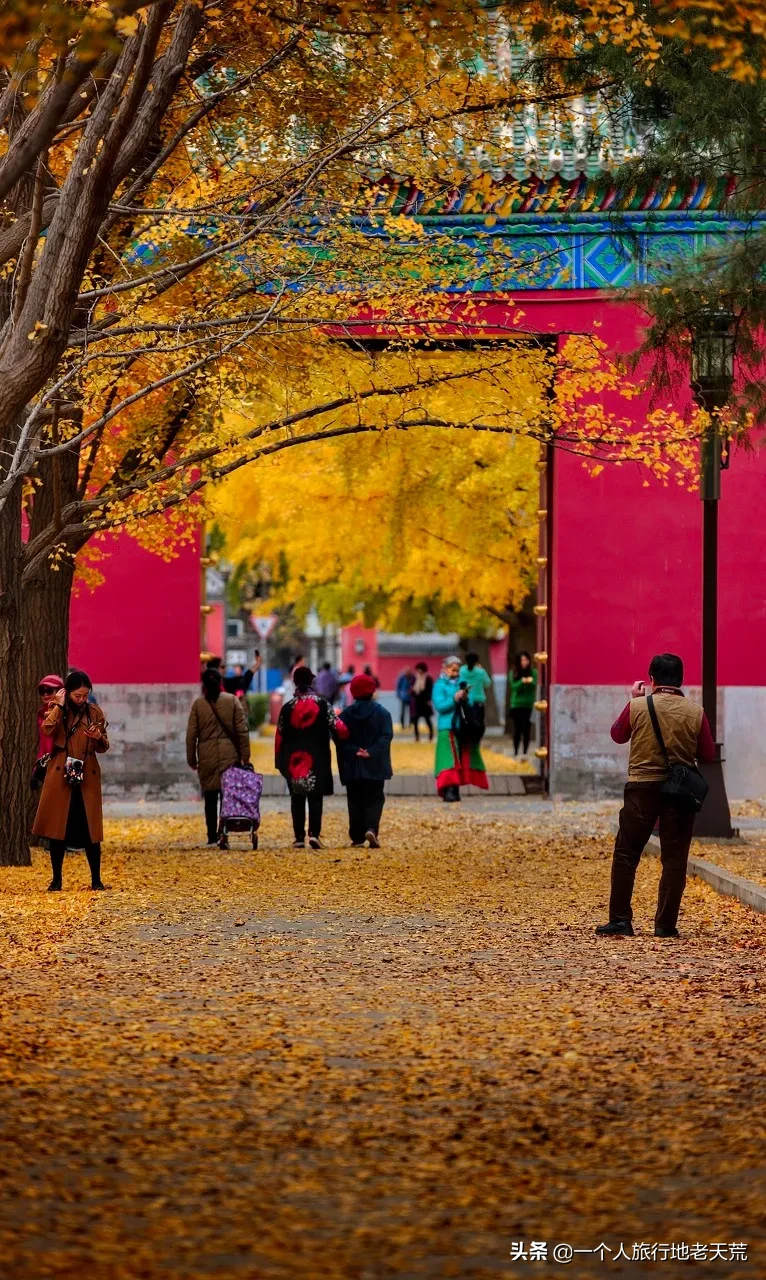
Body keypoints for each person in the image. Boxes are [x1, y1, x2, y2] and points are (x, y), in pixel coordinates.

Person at [596, 652, 716, 939]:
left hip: (641, 789)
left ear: (651, 679)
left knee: (626, 853)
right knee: (674, 858)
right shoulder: (695, 712)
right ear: (681, 680)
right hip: (679, 792)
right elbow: (708, 753)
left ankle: (620, 919)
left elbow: (617, 734)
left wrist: (632, 699)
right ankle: (665, 924)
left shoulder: (637, 706)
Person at [32, 670, 109, 891]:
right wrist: (60, 706)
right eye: (77, 696)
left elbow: (104, 746)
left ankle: (96, 879)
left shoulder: (94, 713)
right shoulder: (58, 709)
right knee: (58, 828)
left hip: (86, 775)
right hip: (60, 775)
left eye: (85, 695)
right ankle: (56, 879)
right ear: (68, 693)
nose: (82, 700)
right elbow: (47, 730)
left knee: (90, 830)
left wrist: (98, 738)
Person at [275, 666, 349, 849]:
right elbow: (339, 728)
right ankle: (314, 834)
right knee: (316, 796)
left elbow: (279, 736)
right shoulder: (322, 703)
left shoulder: (287, 707)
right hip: (318, 757)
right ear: (311, 682)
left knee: (297, 797)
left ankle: (298, 837)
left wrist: (279, 761)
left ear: (294, 682)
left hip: (293, 759)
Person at [186, 669, 251, 846]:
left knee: (210, 797)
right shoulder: (232, 701)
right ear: (221, 681)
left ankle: (211, 836)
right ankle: (224, 832)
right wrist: (245, 757)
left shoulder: (198, 705)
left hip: (206, 757)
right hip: (230, 756)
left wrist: (192, 759)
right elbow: (242, 731)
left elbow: (191, 735)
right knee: (226, 796)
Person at [338, 673, 394, 848]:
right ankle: (371, 828)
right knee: (375, 798)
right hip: (375, 764)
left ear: (353, 692)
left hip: (353, 765)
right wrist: (371, 751)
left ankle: (356, 836)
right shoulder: (383, 713)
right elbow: (386, 736)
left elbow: (339, 738)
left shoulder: (345, 715)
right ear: (373, 691)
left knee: (355, 799)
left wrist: (355, 751)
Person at [432, 656, 489, 802]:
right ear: (445, 669)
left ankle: (456, 789)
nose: (455, 672)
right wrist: (454, 699)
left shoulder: (461, 684)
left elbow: (469, 703)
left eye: (457, 669)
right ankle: (449, 789)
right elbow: (440, 706)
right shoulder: (439, 685)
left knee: (461, 758)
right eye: (452, 669)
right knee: (449, 760)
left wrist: (464, 697)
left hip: (461, 727)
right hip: (447, 727)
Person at [509, 651, 537, 756]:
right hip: (517, 704)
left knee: (527, 729)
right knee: (517, 729)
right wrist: (522, 682)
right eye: (522, 660)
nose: (524, 662)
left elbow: (535, 684)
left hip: (528, 705)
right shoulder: (514, 672)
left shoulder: (533, 672)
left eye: (526, 660)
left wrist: (530, 682)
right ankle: (516, 751)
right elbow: (514, 687)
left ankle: (525, 751)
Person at [458, 653, 492, 737]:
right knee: (479, 722)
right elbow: (487, 683)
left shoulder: (461, 670)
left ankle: (467, 739)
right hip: (478, 700)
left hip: (466, 700)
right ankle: (476, 741)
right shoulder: (480, 672)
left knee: (467, 721)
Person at [35, 674, 64, 763]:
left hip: (67, 762)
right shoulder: (41, 713)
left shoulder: (68, 711)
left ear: (60, 692)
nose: (45, 694)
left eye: (49, 690)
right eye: (42, 691)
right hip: (46, 762)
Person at [410, 662, 434, 742]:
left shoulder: (428, 678)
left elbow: (430, 690)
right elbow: (411, 689)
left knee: (428, 720)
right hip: (417, 702)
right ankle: (417, 737)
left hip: (425, 702)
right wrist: (413, 691)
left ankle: (431, 736)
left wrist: (429, 700)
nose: (419, 671)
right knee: (415, 720)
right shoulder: (414, 678)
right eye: (418, 669)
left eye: (420, 669)